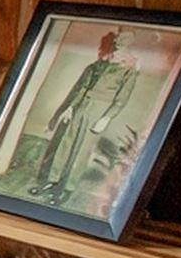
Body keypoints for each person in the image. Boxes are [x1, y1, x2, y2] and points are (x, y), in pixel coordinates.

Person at [34, 28, 140, 204]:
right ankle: (51, 182)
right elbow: (81, 88)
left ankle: (66, 189)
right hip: (80, 106)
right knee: (64, 145)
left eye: (126, 38)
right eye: (119, 37)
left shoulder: (128, 69)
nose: (120, 40)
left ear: (131, 42)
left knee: (81, 151)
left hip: (98, 111)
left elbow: (121, 99)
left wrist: (106, 118)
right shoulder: (98, 65)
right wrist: (70, 108)